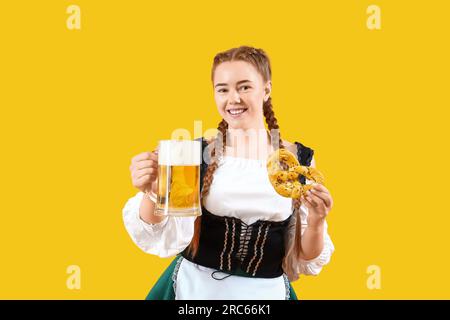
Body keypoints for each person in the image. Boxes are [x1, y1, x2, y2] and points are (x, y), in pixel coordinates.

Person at [122, 46, 335, 300]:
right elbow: (162, 234)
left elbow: (305, 257)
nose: (233, 98)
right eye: (223, 89)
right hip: (194, 292)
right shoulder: (190, 155)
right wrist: (152, 192)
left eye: (245, 87)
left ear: (266, 89)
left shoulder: (298, 161)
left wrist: (317, 220)